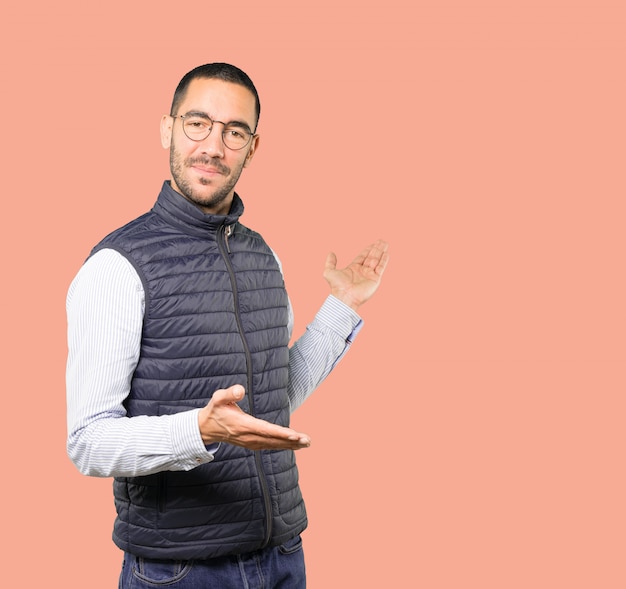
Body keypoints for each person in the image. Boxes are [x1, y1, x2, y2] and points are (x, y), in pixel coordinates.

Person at [66, 62, 389, 588]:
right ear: (168, 129)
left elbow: (273, 396)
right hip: (179, 571)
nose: (213, 146)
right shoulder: (116, 267)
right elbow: (87, 440)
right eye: (198, 123)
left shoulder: (264, 256)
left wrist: (342, 306)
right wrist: (198, 430)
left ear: (252, 148)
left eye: (233, 131)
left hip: (282, 555)